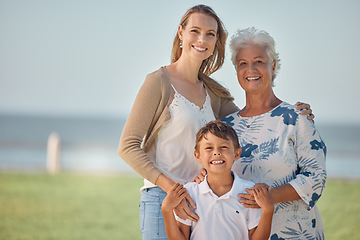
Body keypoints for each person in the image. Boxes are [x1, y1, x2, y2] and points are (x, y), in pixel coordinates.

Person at [118, 5, 314, 239]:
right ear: (181, 33)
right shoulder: (158, 82)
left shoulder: (214, 92)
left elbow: (252, 122)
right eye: (195, 31)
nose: (202, 39)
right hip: (164, 199)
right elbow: (127, 147)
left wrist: (292, 113)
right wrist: (173, 191)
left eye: (210, 34)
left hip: (202, 202)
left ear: (216, 42)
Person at [219, 27, 326, 239]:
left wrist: (270, 195)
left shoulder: (297, 117)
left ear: (273, 66)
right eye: (243, 64)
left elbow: (316, 177)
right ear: (237, 71)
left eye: (259, 61)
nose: (251, 69)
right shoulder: (226, 127)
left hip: (295, 233)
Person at [161, 120, 274, 240]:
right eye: (209, 148)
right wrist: (166, 210)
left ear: (236, 153)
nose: (216, 152)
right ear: (197, 155)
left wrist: (268, 210)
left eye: (224, 147)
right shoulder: (190, 192)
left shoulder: (249, 193)